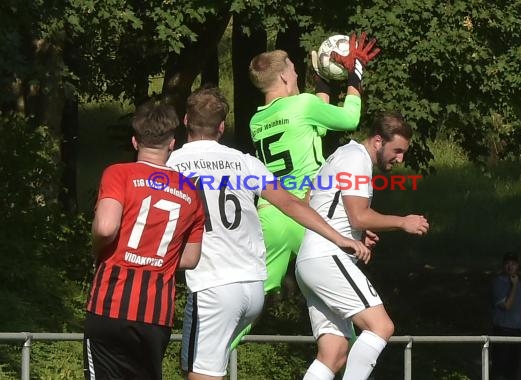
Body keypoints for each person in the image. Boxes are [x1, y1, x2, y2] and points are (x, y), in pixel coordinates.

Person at [166, 86, 370, 380]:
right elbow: (290, 203)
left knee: (198, 374)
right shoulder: (245, 163)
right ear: (222, 126)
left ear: (185, 121)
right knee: (212, 368)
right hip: (252, 286)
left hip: (212, 283)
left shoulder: (172, 167)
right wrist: (339, 237)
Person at [229, 34, 381, 348]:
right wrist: (355, 74)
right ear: (284, 76)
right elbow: (349, 118)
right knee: (343, 296)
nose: (298, 75)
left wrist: (324, 80)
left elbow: (316, 121)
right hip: (309, 216)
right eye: (294, 70)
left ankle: (213, 355)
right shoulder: (303, 105)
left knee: (247, 308)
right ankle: (349, 356)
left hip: (271, 217)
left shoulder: (257, 120)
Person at [295, 111, 430, 380]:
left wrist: (356, 230)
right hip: (327, 256)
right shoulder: (357, 158)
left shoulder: (342, 154)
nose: (401, 159)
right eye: (398, 150)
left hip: (311, 258)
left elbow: (312, 197)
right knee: (381, 326)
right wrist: (402, 222)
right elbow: (358, 214)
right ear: (378, 141)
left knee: (334, 353)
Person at [83, 100, 205, 380]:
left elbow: (105, 227)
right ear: (172, 143)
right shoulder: (190, 191)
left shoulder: (119, 173)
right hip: (156, 312)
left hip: (109, 303)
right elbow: (190, 258)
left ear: (135, 140)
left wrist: (97, 251)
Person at [490, 252, 521, 380]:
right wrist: (514, 286)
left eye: (513, 264)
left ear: (517, 266)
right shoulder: (498, 283)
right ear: (503, 266)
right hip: (503, 330)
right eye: (507, 264)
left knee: (513, 369)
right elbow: (507, 306)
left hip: (517, 332)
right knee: (500, 369)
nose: (510, 267)